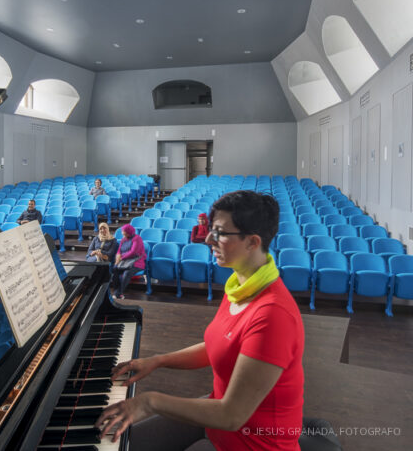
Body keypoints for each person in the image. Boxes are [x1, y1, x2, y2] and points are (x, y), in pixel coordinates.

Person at [95, 191, 305, 451]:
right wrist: (158, 360)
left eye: (219, 232)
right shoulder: (240, 287)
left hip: (251, 442)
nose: (207, 239)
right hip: (216, 417)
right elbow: (219, 347)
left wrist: (149, 402)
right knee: (125, 442)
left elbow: (231, 415)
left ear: (252, 242)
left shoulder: (273, 315)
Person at [111, 224, 146, 299]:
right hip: (124, 261)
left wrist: (121, 258)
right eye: (123, 232)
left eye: (125, 232)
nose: (123, 234)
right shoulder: (124, 239)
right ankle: (117, 291)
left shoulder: (137, 238)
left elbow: (133, 252)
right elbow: (119, 251)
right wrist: (117, 257)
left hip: (136, 262)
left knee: (127, 273)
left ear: (129, 232)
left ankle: (118, 293)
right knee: (115, 269)